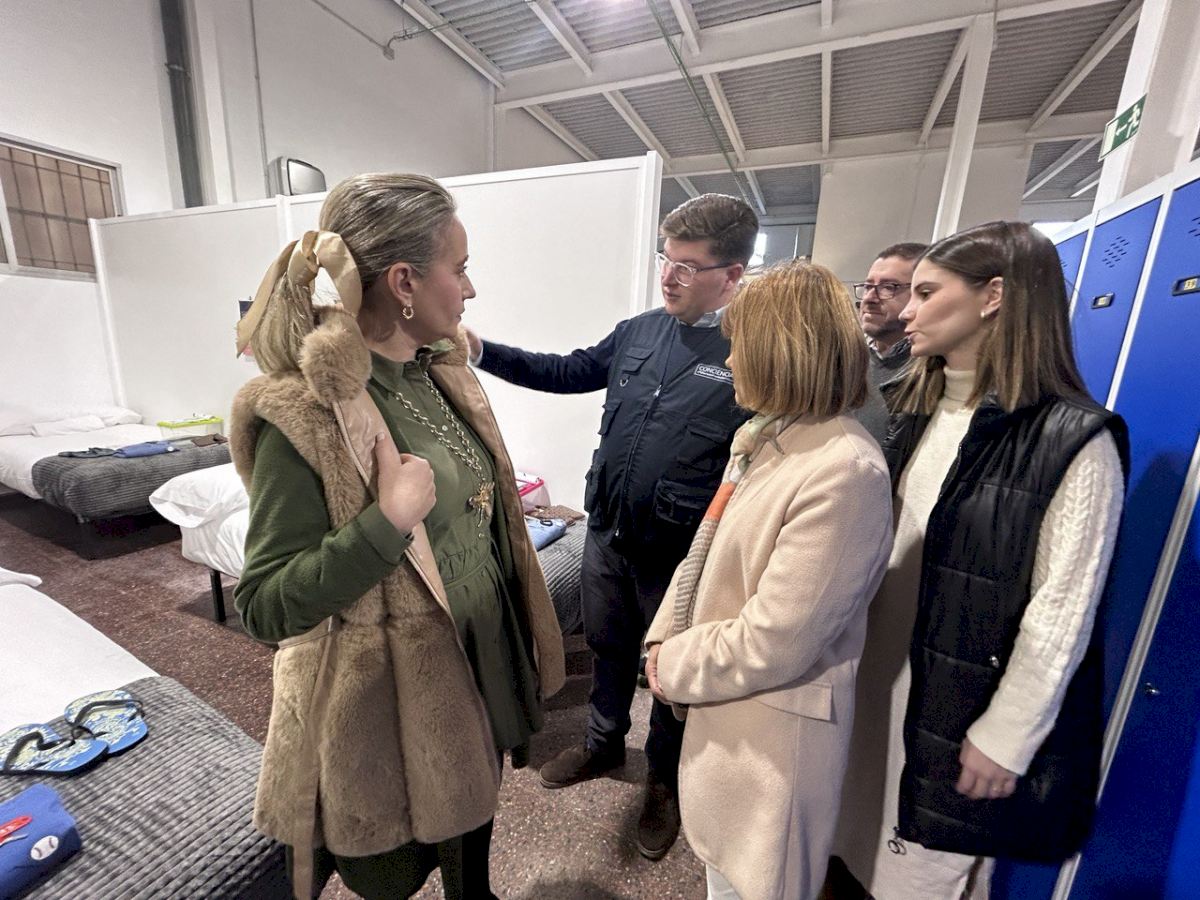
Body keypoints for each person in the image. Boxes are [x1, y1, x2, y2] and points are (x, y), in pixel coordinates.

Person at [230, 173, 566, 900]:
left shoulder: (435, 371)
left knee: (474, 813)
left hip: (476, 649)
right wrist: (385, 523)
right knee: (394, 870)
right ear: (405, 281)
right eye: (460, 267)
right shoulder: (307, 411)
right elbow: (263, 606)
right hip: (387, 703)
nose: (470, 289)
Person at [833, 221, 1128, 899]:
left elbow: (1062, 611)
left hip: (952, 707)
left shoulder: (1073, 440)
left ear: (993, 296)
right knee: (847, 851)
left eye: (926, 293)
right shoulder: (911, 407)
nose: (906, 311)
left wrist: (1007, 734)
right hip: (872, 677)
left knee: (915, 878)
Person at [465, 193, 757, 860]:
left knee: (670, 673)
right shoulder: (639, 331)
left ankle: (662, 781)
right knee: (607, 646)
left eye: (687, 266)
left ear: (732, 275)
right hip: (607, 532)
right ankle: (602, 745)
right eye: (665, 258)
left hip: (680, 554)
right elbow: (567, 371)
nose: (668, 276)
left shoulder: (750, 352)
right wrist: (481, 350)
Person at [643, 260, 894, 900]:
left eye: (739, 346)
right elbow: (704, 557)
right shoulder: (770, 436)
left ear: (782, 351)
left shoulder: (845, 468)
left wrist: (673, 663)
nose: (729, 362)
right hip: (731, 715)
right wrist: (661, 637)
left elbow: (776, 639)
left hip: (773, 750)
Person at [849, 242, 927, 444]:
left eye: (888, 287)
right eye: (868, 286)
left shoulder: (929, 371)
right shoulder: (850, 358)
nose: (869, 298)